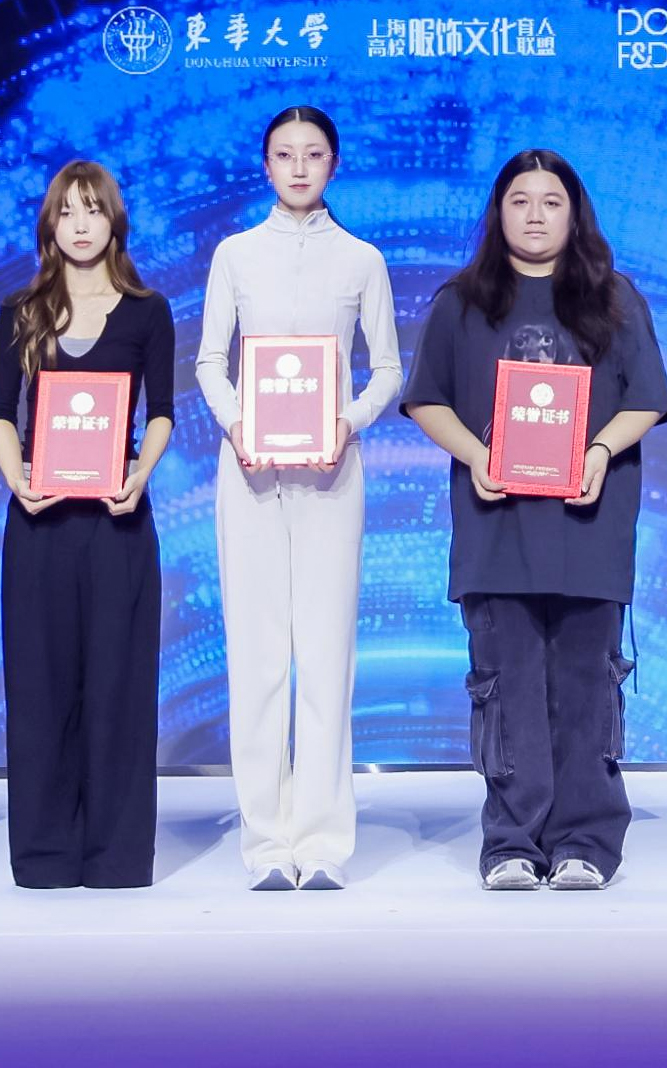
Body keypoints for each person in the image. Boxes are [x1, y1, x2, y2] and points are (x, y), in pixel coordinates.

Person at [408, 148, 667, 891]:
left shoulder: (614, 298)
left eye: (550, 201)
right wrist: (478, 454)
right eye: (519, 200)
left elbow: (646, 398)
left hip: (590, 525)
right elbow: (427, 397)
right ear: (497, 212)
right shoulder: (461, 302)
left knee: (588, 684)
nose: (534, 214)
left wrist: (598, 450)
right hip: (497, 528)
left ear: (574, 213)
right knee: (508, 685)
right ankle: (512, 842)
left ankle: (586, 839)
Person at [191, 105, 403, 889]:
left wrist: (346, 421)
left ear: (333, 164)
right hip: (247, 472)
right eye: (285, 154)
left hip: (329, 474)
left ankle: (320, 841)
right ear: (266, 165)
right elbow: (210, 360)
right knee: (256, 657)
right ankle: (264, 841)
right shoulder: (235, 254)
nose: (299, 167)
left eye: (313, 154)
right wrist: (236, 423)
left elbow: (387, 368)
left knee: (323, 655)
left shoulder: (360, 259)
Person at [0, 161, 177, 889]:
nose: (80, 224)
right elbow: (1, 414)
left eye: (93, 210)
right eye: (66, 211)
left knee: (119, 685)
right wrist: (18, 478)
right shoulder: (21, 311)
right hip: (39, 523)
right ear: (50, 226)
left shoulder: (147, 311)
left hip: (116, 520)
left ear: (114, 221)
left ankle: (115, 855)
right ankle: (44, 855)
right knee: (40, 689)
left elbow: (161, 412)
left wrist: (139, 473)